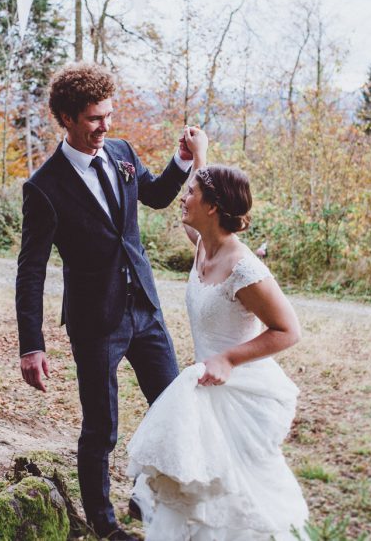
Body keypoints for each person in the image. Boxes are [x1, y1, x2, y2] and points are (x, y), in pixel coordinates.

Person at [16, 61, 207, 540]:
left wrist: (182, 161)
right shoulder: (44, 187)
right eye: (93, 119)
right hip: (95, 321)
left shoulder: (121, 152)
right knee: (101, 428)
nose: (105, 127)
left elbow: (158, 196)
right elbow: (31, 269)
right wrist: (31, 344)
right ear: (66, 117)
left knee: (170, 408)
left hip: (145, 308)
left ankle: (149, 499)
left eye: (108, 115)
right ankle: (105, 525)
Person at [126, 155, 310, 539]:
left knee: (239, 491)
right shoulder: (204, 245)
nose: (183, 197)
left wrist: (228, 358)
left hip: (240, 391)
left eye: (190, 193)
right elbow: (204, 206)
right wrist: (200, 155)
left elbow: (288, 330)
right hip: (204, 388)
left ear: (211, 207)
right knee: (200, 491)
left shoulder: (245, 269)